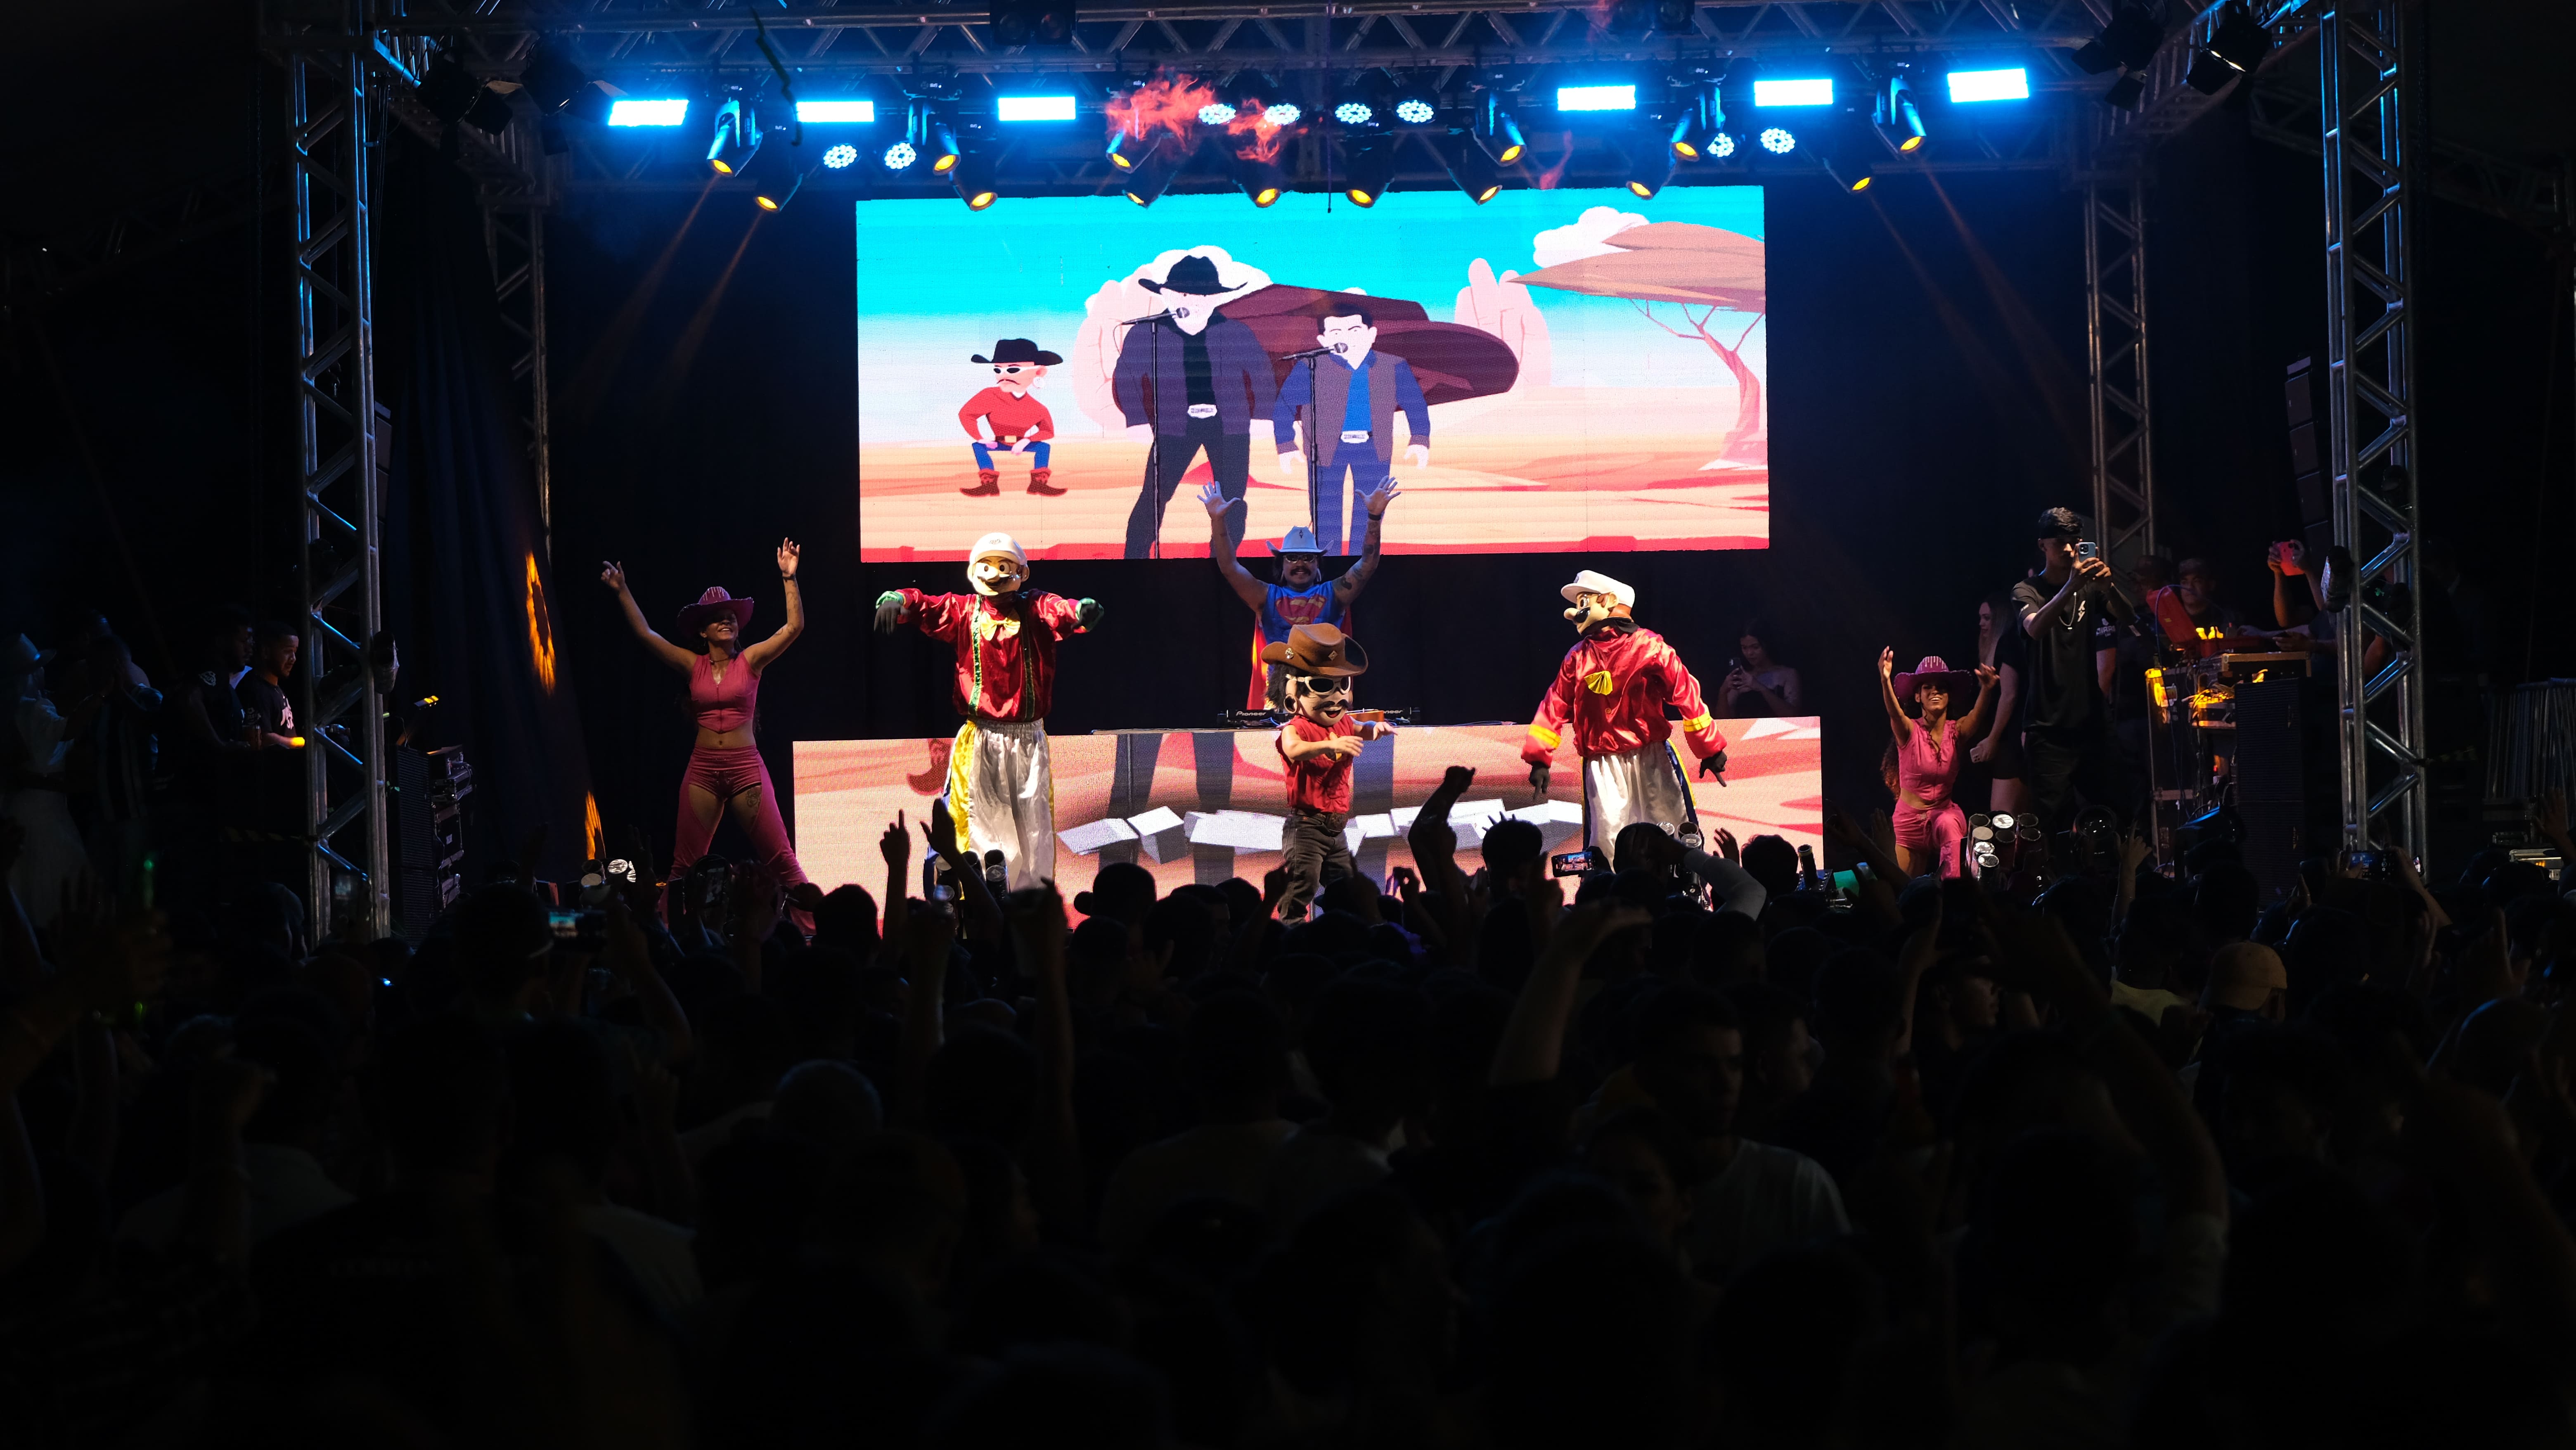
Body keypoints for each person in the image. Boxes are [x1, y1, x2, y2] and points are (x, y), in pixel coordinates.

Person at [874, 533, 1103, 890]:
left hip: (1028, 742)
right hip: (981, 739)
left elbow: (1061, 611)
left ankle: (1028, 908)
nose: (995, 574)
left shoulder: (1035, 608)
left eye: (1004, 566)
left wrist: (1079, 612)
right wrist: (896, 599)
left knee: (1031, 833)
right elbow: (926, 606)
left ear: (1021, 572)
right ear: (973, 571)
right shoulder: (964, 611)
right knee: (976, 831)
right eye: (987, 565)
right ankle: (973, 908)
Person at [601, 540, 813, 901]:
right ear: (703, 631)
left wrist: (789, 578)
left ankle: (817, 926)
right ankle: (669, 930)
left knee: (781, 860)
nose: (727, 620)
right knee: (684, 867)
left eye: (731, 616)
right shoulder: (692, 665)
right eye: (718, 617)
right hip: (703, 770)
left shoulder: (751, 660)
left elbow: (794, 627)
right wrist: (622, 590)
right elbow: (646, 635)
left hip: (746, 769)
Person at [1523, 569, 1727, 851]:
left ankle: (1682, 880)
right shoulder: (1578, 657)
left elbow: (1686, 693)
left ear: (1608, 601)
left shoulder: (1649, 647)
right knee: (1608, 840)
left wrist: (1711, 749)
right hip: (1603, 763)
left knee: (1670, 830)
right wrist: (1540, 760)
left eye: (1584, 602)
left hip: (1651, 756)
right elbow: (1554, 705)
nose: (1574, 612)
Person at [1112, 253, 1278, 559]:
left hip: (1230, 426)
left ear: (1216, 298)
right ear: (1166, 294)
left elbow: (1262, 373)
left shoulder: (1235, 332)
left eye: (1203, 295)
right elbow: (1127, 376)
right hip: (1174, 426)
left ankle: (1224, 561)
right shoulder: (1147, 332)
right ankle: (1135, 560)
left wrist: (1263, 416)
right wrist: (1136, 419)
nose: (1195, 302)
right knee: (1154, 495)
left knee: (1233, 498)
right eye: (1184, 294)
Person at [1200, 483, 1395, 710]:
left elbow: (1368, 565)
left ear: (1317, 564)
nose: (1300, 563)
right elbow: (1229, 568)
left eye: (1308, 557)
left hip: (1326, 696)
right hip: (1281, 698)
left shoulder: (1335, 593)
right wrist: (1218, 521)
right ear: (1281, 565)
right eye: (1292, 557)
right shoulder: (1265, 596)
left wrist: (1374, 518)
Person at [1270, 307, 1432, 558]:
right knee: (1326, 514)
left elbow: (1415, 404)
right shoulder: (1310, 366)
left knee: (1370, 514)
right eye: (1336, 333)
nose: (1346, 337)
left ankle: (1362, 565)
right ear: (1323, 340)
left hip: (1373, 449)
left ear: (1372, 334)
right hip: (1325, 450)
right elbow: (1285, 405)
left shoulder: (1393, 366)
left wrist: (1419, 439)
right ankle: (1328, 566)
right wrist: (1286, 444)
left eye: (1354, 330)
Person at [2012, 507, 2136, 831]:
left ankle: (2114, 864)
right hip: (2048, 728)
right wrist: (2071, 586)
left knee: (2117, 812)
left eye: (2075, 542)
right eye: (2060, 542)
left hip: (2092, 723)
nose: (2069, 549)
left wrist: (2109, 587)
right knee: (2054, 824)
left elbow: (2129, 618)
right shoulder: (2026, 590)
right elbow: (2035, 628)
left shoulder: (2089, 587)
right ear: (2043, 545)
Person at [1268, 625, 1394, 922]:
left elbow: (1361, 728)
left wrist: (1376, 729)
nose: (1337, 697)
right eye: (1323, 686)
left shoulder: (1343, 723)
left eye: (1343, 684)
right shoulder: (1297, 728)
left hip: (1336, 829)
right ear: (1292, 695)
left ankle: (1340, 936)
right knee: (1302, 887)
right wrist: (1330, 745)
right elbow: (1294, 749)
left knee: (1347, 891)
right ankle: (1291, 936)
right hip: (1306, 828)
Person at [1878, 649, 2000, 879]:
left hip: (1943, 816)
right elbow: (1895, 714)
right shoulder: (1909, 731)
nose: (1935, 691)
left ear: (1948, 695)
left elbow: (1976, 716)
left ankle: (1952, 892)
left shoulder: (1957, 732)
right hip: (1908, 823)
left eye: (1941, 687)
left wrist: (1986, 689)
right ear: (1918, 696)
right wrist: (1885, 681)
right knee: (1902, 886)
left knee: (1948, 824)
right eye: (1927, 687)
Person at [957, 338, 1063, 498]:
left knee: (1043, 448)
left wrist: (1027, 441)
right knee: (978, 447)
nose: (1004, 375)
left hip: (1022, 443)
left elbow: (1048, 432)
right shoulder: (990, 395)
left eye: (1013, 370)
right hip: (997, 443)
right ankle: (989, 485)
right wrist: (980, 438)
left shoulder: (1038, 408)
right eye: (998, 370)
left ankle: (1039, 485)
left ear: (1039, 372)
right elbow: (966, 414)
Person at [1970, 593, 2029, 813]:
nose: (1981, 624)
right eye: (1981, 618)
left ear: (2001, 619)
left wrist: (1993, 739)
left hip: (2013, 739)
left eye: (1987, 618)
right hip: (2012, 737)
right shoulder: (2005, 644)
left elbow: (2009, 695)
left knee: (2002, 816)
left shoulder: (2009, 642)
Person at [237, 620, 300, 749]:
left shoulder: (274, 687)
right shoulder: (255, 689)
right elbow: (263, 737)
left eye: (295, 652)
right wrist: (302, 742)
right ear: (266, 652)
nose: (293, 659)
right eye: (288, 651)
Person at [1719, 621, 1803, 717]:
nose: (1750, 653)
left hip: (1779, 727)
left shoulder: (1787, 674)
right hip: (1745, 727)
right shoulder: (1742, 677)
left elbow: (1793, 716)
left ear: (1767, 645)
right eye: (1745, 648)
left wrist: (1760, 687)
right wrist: (1723, 691)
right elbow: (1723, 720)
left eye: (1755, 647)